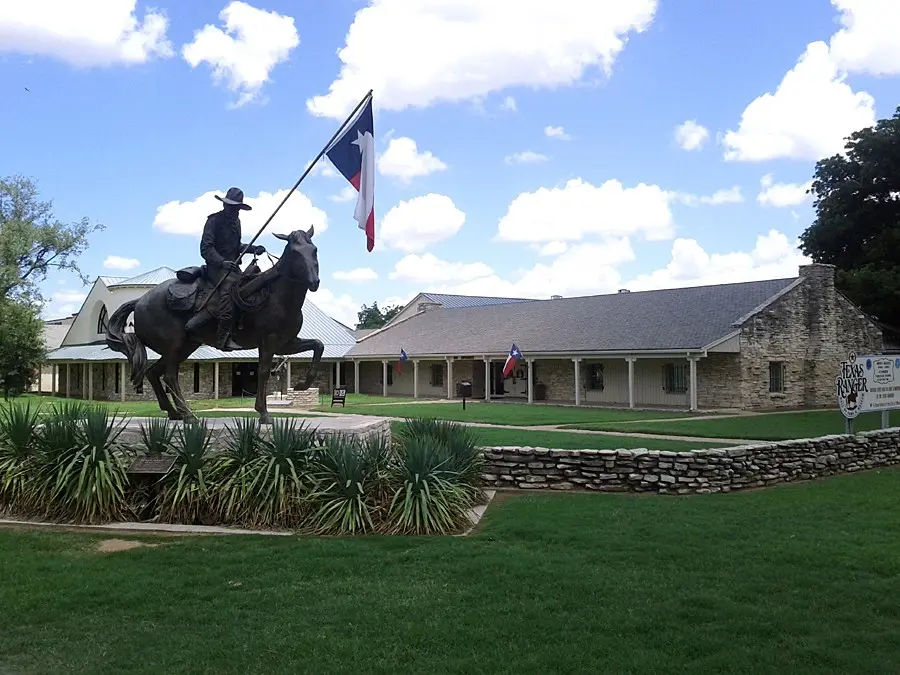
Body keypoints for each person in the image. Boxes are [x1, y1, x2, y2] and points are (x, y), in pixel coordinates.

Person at [184, 187, 265, 351]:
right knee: (230, 291)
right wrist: (222, 262)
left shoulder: (237, 223)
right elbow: (206, 248)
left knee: (250, 285)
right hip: (217, 267)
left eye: (236, 208)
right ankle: (223, 338)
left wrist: (252, 248)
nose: (233, 210)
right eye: (230, 206)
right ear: (225, 205)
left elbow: (236, 247)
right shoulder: (214, 221)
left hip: (233, 267)